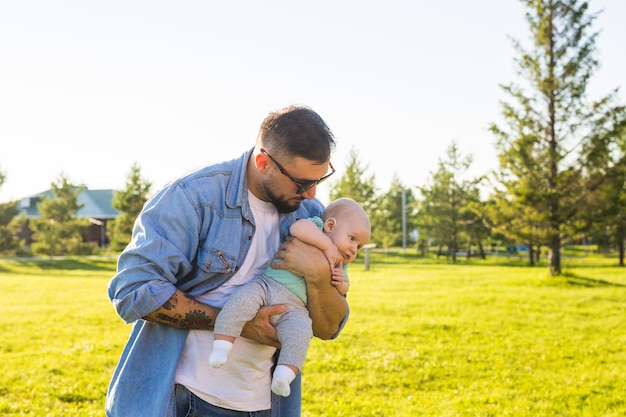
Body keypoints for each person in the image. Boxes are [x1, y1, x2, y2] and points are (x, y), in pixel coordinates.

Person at [106, 105, 349, 417]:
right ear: (263, 162)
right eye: (302, 184)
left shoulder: (312, 217)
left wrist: (317, 276)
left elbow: (329, 328)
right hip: (187, 399)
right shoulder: (192, 198)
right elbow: (134, 292)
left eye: (321, 179)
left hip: (270, 405)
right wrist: (237, 323)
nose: (313, 195)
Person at [209, 198, 371, 397]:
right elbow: (298, 228)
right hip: (269, 285)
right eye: (352, 238)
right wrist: (326, 247)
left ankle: (284, 375)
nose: (354, 249)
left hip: (295, 307)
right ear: (330, 225)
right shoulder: (317, 228)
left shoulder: (342, 263)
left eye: (360, 246)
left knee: (300, 334)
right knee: (242, 301)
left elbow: (344, 287)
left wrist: (340, 282)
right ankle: (222, 346)